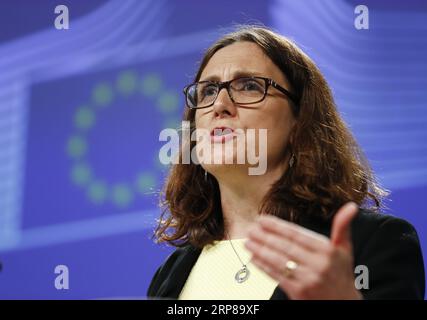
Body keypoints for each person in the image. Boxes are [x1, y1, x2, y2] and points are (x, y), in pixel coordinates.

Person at [147, 26, 425, 300]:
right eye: (207, 91)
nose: (220, 104)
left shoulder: (373, 244)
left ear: (299, 122)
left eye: (249, 86)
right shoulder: (169, 275)